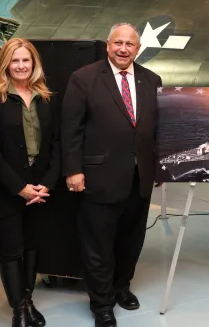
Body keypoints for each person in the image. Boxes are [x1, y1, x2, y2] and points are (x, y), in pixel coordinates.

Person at [61, 23, 162, 327]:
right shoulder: (84, 78)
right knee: (98, 244)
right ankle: (101, 303)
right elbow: (70, 129)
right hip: (97, 178)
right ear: (107, 45)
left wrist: (157, 167)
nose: (123, 49)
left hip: (139, 178)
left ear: (138, 49)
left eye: (129, 44)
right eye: (117, 43)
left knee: (131, 240)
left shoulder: (151, 79)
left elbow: (156, 129)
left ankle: (121, 287)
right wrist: (73, 170)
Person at [0, 38, 62, 327]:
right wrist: (18, 187)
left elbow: (56, 144)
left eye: (25, 60)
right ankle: (18, 309)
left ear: (34, 64)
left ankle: (27, 299)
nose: (20, 66)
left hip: (40, 187)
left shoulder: (46, 97)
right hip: (7, 187)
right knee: (11, 249)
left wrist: (47, 184)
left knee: (32, 246)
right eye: (14, 60)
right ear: (5, 64)